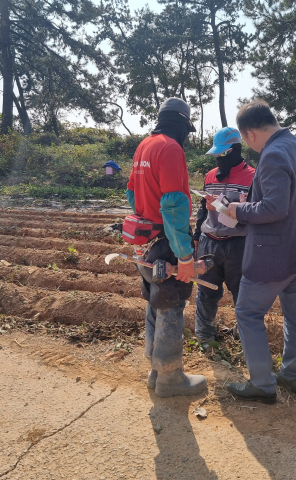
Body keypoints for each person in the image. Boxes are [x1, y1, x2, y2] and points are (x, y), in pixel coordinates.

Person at [223, 100, 296, 404]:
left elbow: (274, 207)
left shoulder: (273, 154)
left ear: (250, 133)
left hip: (273, 254)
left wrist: (238, 209)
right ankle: (291, 375)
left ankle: (262, 383)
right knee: (295, 313)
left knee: (247, 312)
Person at [126, 97, 207, 398]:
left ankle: (155, 372)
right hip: (167, 242)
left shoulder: (143, 146)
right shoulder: (171, 149)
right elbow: (173, 206)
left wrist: (148, 215)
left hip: (145, 241)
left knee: (153, 301)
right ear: (183, 124)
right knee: (172, 304)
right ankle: (171, 377)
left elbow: (132, 194)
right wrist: (185, 255)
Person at [192, 127, 256, 345]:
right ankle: (204, 336)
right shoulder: (211, 175)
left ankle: (245, 338)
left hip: (238, 244)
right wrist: (197, 235)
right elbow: (203, 209)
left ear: (234, 150)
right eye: (216, 155)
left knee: (242, 294)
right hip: (210, 243)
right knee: (206, 290)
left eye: (223, 154)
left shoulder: (252, 177)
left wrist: (223, 206)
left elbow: (255, 213)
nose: (219, 159)